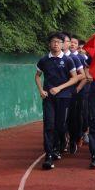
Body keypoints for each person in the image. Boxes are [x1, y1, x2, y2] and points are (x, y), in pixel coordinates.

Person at [35, 32, 79, 170]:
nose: (56, 44)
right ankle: (48, 155)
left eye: (58, 42)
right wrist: (41, 90)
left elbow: (75, 78)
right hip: (48, 98)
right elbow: (37, 76)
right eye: (53, 42)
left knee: (60, 126)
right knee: (49, 125)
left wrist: (60, 88)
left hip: (64, 97)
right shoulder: (43, 60)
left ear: (62, 44)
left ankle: (58, 146)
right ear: (49, 44)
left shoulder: (67, 60)